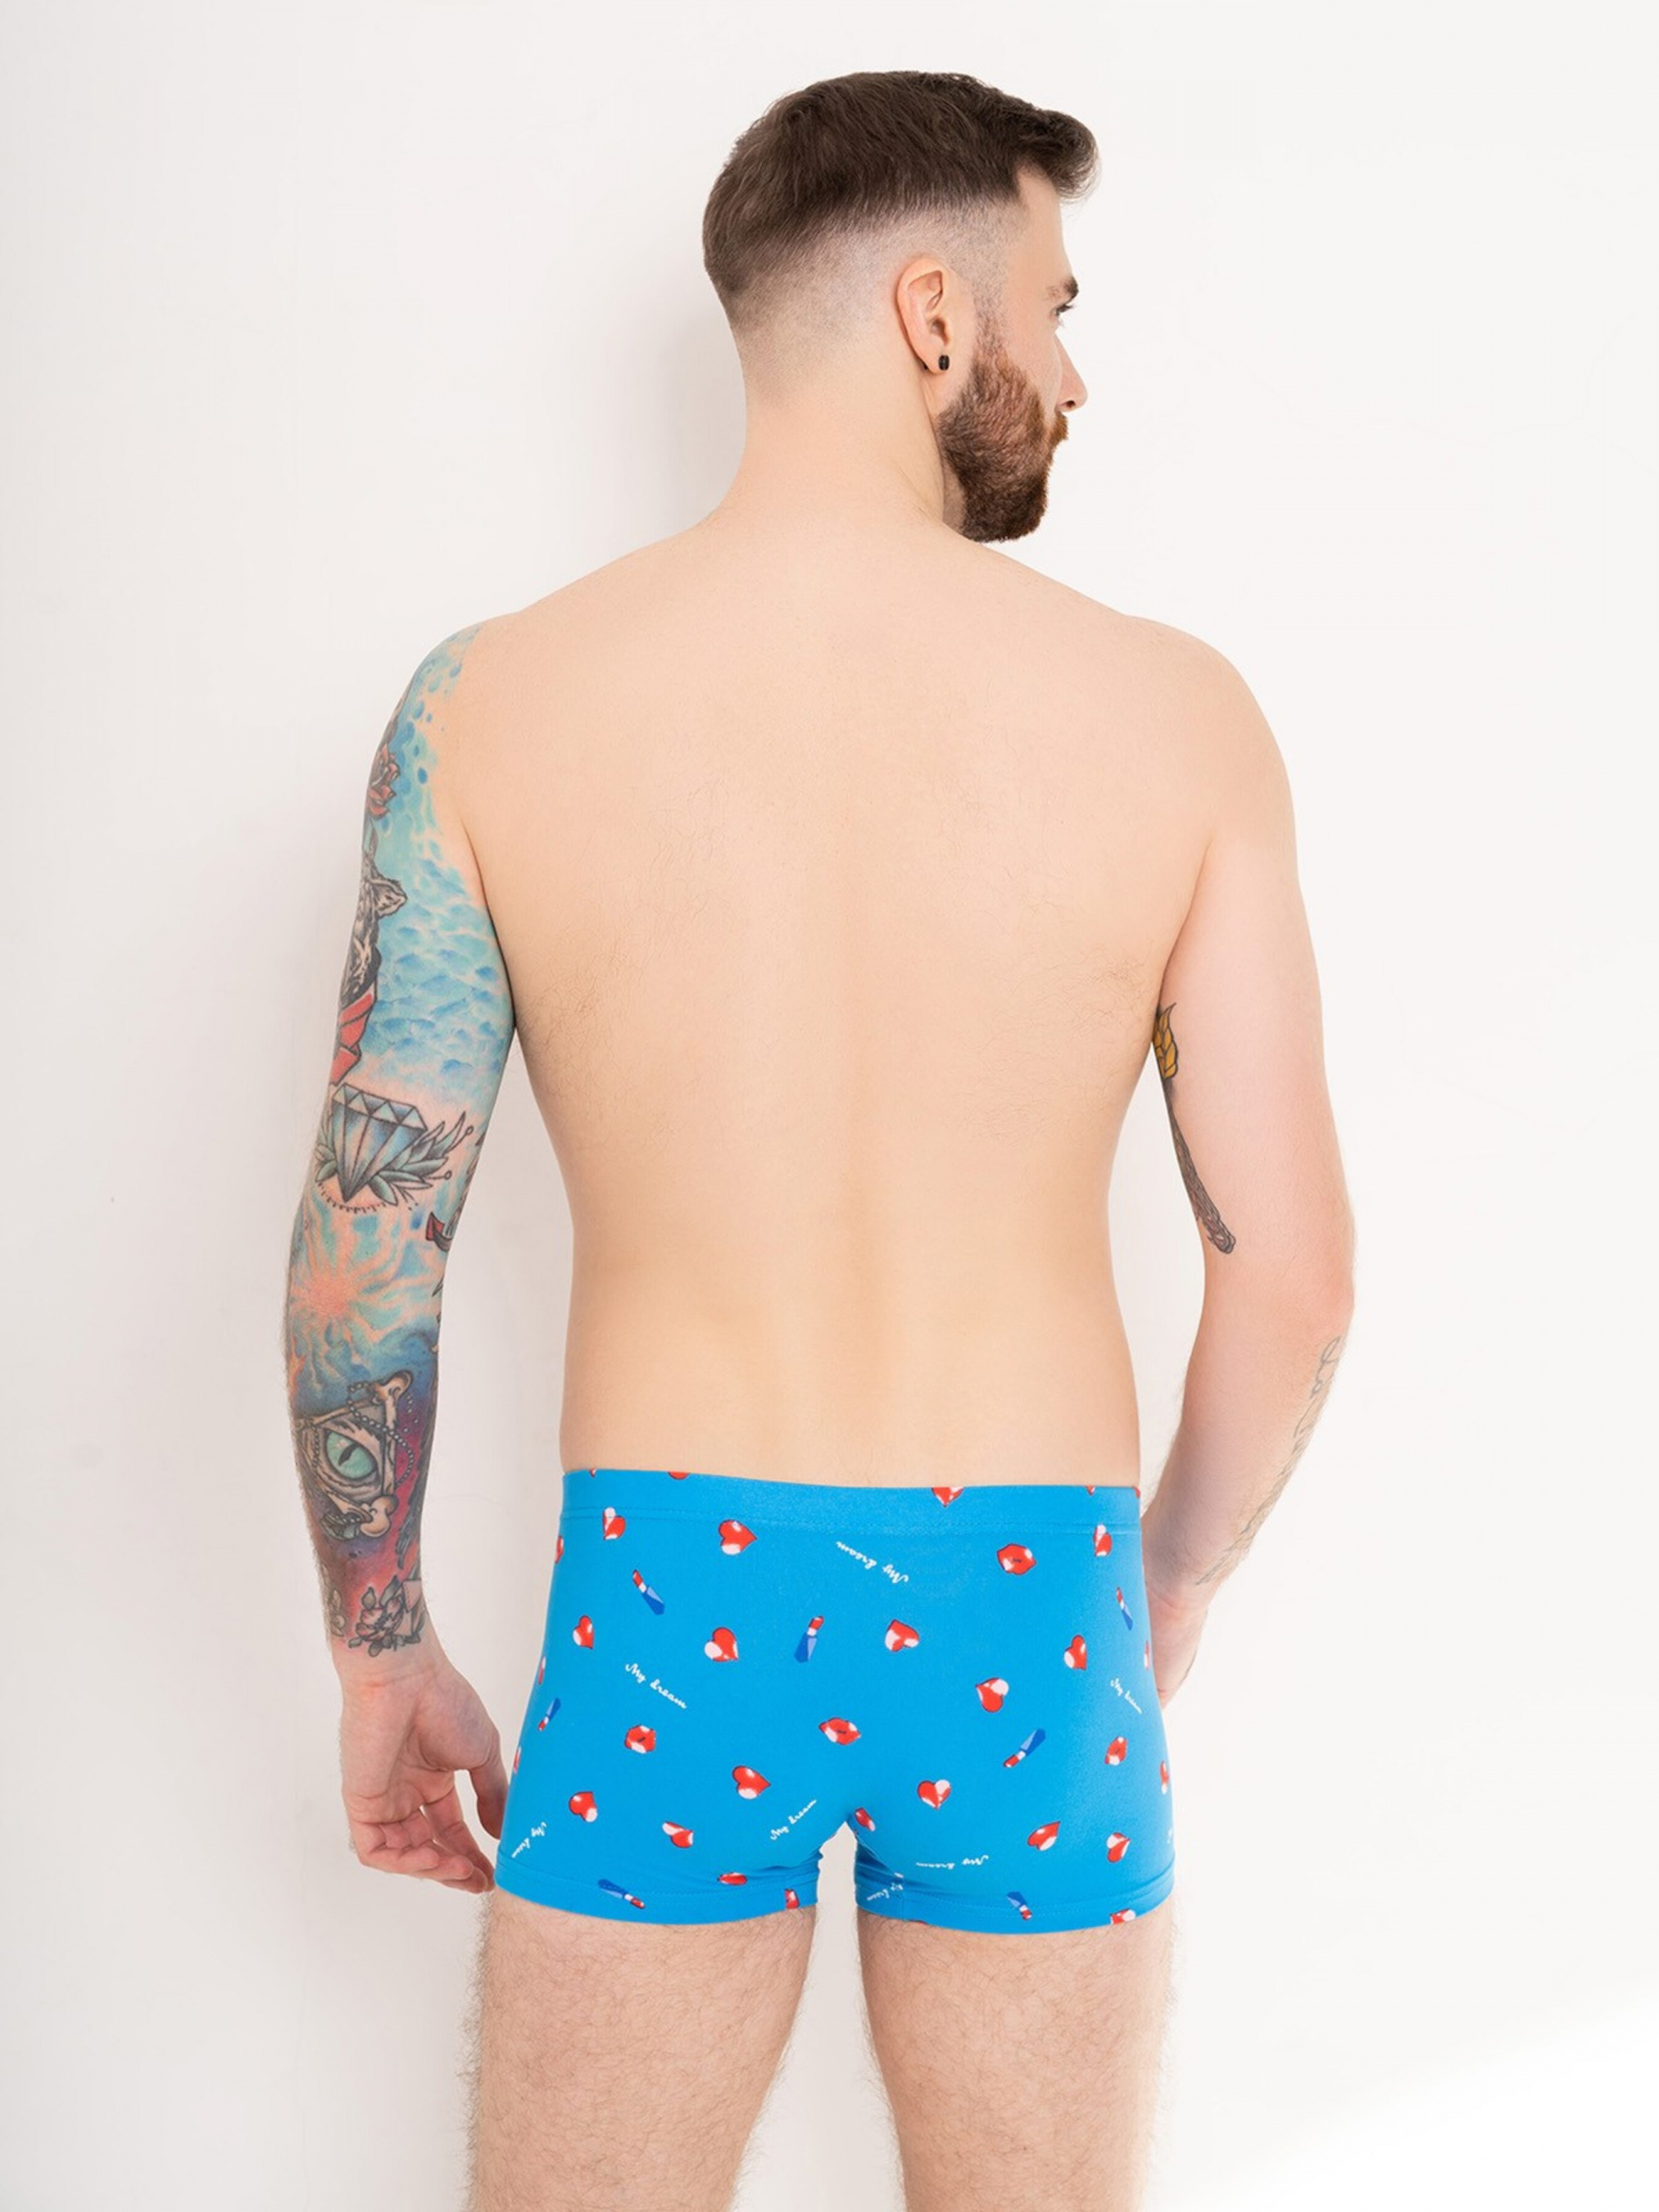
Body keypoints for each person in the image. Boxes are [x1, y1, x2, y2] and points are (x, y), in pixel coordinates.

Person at [282, 67, 1355, 2212]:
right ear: (934, 314)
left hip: (672, 1589)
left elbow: (363, 1257)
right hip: (1029, 1595)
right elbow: (1294, 1276)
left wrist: (379, 1645)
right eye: (1056, 305)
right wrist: (1159, 1590)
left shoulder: (490, 707)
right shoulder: (1176, 716)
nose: (1076, 374)